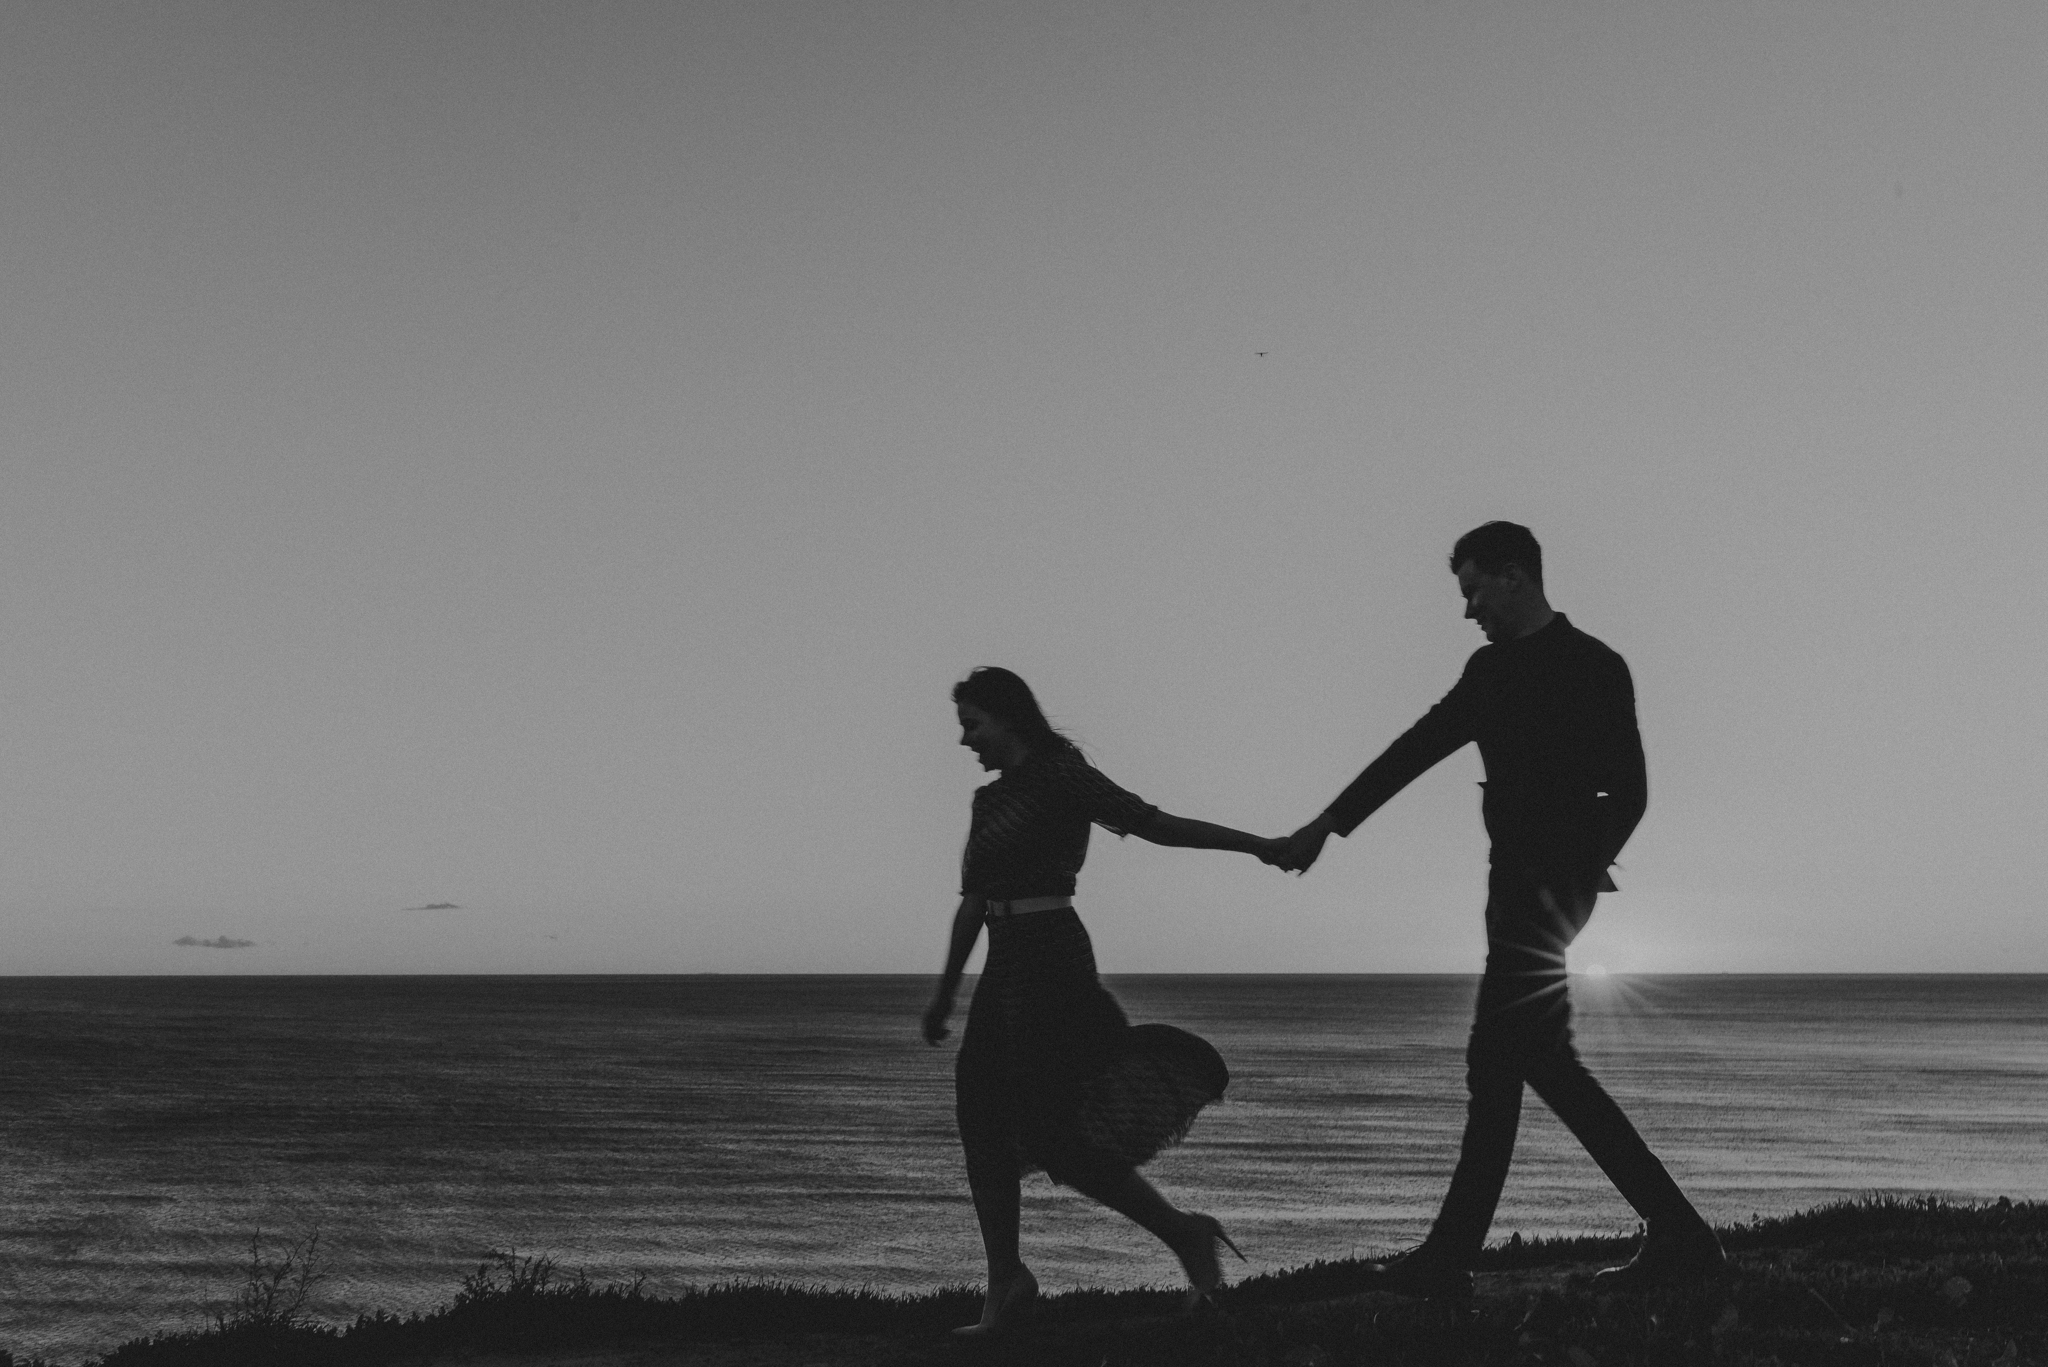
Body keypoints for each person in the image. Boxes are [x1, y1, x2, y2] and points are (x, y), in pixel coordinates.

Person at [1276, 521, 1724, 1296]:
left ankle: (1453, 1257)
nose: (1468, 608)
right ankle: (1679, 1234)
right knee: (1533, 1060)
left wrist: (1579, 870)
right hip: (1508, 885)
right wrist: (1328, 823)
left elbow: (1632, 789)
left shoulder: (1595, 664)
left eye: (1474, 589)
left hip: (1557, 892)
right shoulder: (1486, 672)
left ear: (1515, 576)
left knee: (1499, 1059)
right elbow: (1415, 747)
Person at [923, 666, 1280, 1335]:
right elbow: (973, 902)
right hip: (1003, 967)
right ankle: (1007, 1278)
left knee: (1057, 1133)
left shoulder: (1061, 774)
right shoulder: (986, 802)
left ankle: (1184, 1235)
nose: (966, 739)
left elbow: (1152, 822)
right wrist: (944, 994)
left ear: (1008, 717)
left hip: (1053, 960)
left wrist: (1254, 845)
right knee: (980, 1115)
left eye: (972, 723)